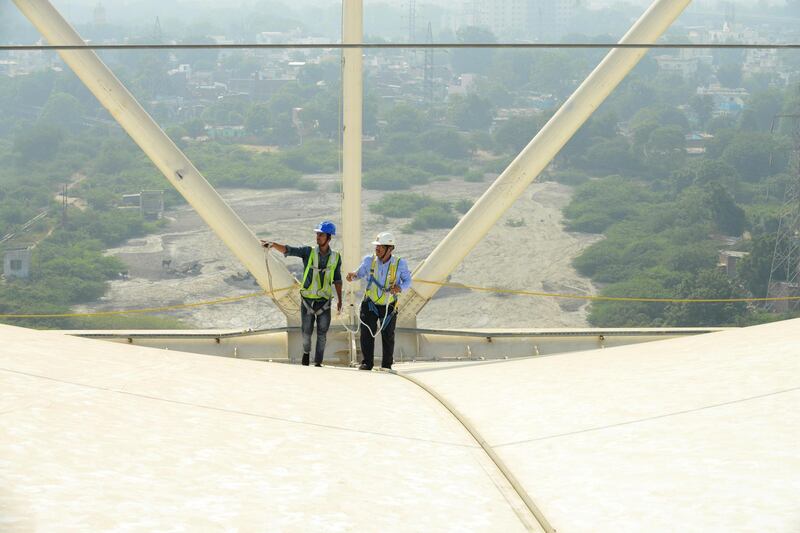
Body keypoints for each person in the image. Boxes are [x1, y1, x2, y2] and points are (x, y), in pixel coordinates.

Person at [261, 221, 342, 367]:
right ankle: (306, 354)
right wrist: (273, 245)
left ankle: (318, 362)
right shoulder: (308, 252)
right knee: (306, 333)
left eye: (321, 235)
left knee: (322, 335)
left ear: (329, 238)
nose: (318, 237)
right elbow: (289, 250)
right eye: (317, 234)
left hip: (324, 302)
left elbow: (337, 279)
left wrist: (340, 300)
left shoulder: (336, 257)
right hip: (307, 302)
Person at [346, 231, 411, 370]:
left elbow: (408, 281)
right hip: (370, 304)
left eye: (380, 246)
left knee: (388, 335)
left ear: (390, 248)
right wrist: (353, 276)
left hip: (389, 306)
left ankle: (387, 365)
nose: (377, 249)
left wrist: (399, 288)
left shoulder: (400, 263)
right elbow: (360, 273)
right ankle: (367, 363)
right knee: (367, 333)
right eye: (376, 246)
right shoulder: (369, 260)